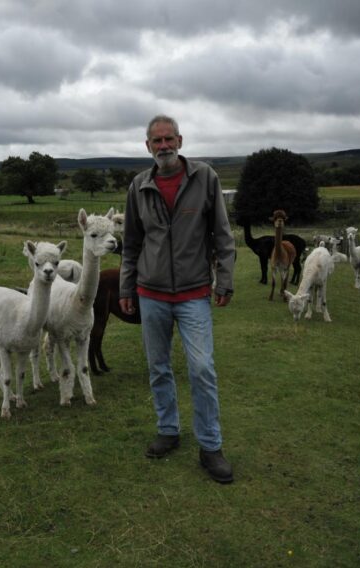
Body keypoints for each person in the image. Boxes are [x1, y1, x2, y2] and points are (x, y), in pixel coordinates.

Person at [119, 114, 236, 484]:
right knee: (158, 367)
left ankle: (210, 446)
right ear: (148, 146)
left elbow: (222, 233)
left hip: (193, 292)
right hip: (150, 292)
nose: (164, 146)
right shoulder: (139, 186)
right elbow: (132, 244)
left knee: (202, 369)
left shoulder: (205, 178)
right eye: (157, 141)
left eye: (169, 139)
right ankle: (168, 430)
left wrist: (225, 281)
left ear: (181, 141)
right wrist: (126, 288)